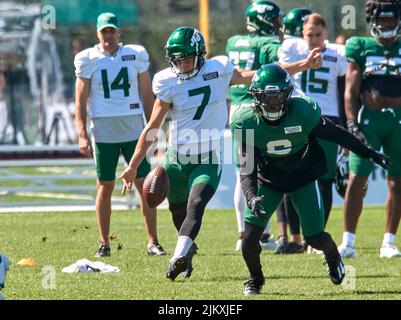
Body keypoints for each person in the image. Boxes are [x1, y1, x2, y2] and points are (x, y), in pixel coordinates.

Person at [119, 26, 322, 281]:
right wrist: (134, 166)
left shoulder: (218, 70)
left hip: (207, 157)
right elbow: (152, 127)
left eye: (187, 59)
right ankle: (186, 249)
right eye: (177, 60)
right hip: (176, 159)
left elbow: (255, 77)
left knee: (196, 205)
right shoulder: (167, 81)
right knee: (177, 211)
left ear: (200, 54)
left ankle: (177, 257)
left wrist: (303, 64)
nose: (182, 65)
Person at [231, 64, 390, 295]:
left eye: (278, 97)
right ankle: (255, 278)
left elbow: (337, 134)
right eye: (267, 97)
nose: (273, 103)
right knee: (249, 240)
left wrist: (370, 152)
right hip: (269, 180)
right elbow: (247, 169)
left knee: (314, 238)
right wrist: (252, 196)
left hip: (301, 176)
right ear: (256, 96)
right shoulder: (245, 121)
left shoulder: (303, 112)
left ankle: (332, 254)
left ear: (288, 95)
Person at [74, 12, 166, 258]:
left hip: (134, 128)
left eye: (112, 30)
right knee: (104, 185)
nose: (108, 35)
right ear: (97, 33)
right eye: (104, 31)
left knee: (145, 184)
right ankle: (104, 242)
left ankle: (152, 241)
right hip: (103, 129)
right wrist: (82, 133)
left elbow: (148, 96)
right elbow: (80, 100)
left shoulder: (135, 55)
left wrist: (153, 129)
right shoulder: (88, 59)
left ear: (119, 31)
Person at [278, 13, 348, 254]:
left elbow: (343, 90)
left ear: (326, 33)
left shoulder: (338, 53)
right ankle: (296, 238)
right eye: (309, 35)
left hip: (327, 119)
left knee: (324, 180)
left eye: (318, 35)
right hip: (297, 117)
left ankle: (316, 238)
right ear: (302, 34)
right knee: (290, 177)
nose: (314, 39)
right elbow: (280, 72)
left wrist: (346, 129)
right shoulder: (291, 48)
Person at [338, 0, 401, 259]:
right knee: (357, 178)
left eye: (390, 20)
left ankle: (389, 241)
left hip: (398, 122)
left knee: (397, 182)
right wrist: (351, 123)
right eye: (382, 20)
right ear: (373, 20)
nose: (386, 25)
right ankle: (348, 242)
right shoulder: (360, 46)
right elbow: (351, 89)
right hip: (369, 121)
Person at [226, 0, 282, 252]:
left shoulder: (233, 42)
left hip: (236, 109)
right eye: (273, 20)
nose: (277, 25)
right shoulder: (269, 44)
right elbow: (277, 74)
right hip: (258, 110)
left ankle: (245, 233)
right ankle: (257, 234)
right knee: (265, 169)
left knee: (245, 170)